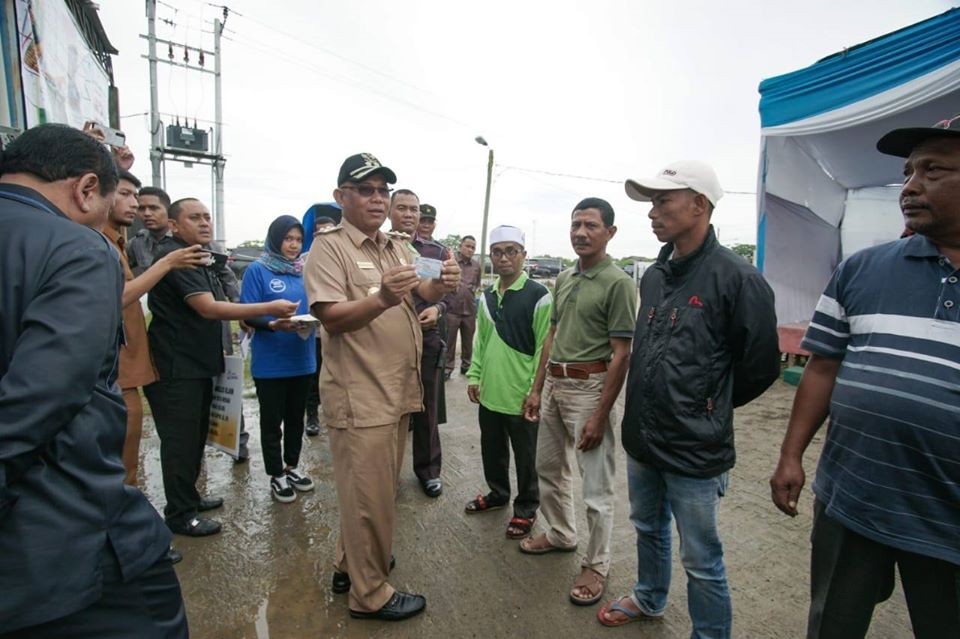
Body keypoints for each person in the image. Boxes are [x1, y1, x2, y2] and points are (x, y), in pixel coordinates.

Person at [770, 117, 960, 638]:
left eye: (933, 171)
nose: (911, 186)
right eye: (908, 172)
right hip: (852, 501)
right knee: (833, 621)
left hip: (947, 521)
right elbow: (823, 366)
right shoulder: (862, 269)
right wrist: (791, 455)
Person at [0, 123, 187, 637]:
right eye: (108, 204)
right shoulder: (76, 248)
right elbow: (44, 397)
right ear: (86, 189)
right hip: (60, 527)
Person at [599, 161, 779, 636]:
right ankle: (649, 596)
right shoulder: (654, 276)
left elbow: (760, 367)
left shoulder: (738, 278)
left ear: (699, 204)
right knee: (647, 527)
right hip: (642, 437)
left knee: (701, 557)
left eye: (663, 201)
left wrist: (706, 405)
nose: (652, 212)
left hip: (695, 447)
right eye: (652, 203)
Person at [304, 153, 460, 621]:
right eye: (366, 190)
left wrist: (442, 285)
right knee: (370, 499)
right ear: (341, 197)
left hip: (395, 390)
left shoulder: (394, 246)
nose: (377, 199)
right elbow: (330, 316)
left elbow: (420, 292)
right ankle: (369, 594)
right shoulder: (328, 249)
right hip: (361, 395)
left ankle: (349, 565)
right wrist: (382, 298)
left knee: (370, 492)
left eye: (382, 191)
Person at [145, 198, 298, 538]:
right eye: (194, 218)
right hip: (177, 365)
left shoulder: (199, 256)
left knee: (196, 436)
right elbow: (209, 308)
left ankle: (189, 498)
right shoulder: (177, 258)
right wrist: (267, 308)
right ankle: (180, 515)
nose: (205, 223)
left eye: (207, 217)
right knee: (181, 441)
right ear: (174, 225)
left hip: (198, 362)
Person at [521, 198, 637, 607]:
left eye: (591, 225)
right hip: (555, 384)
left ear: (610, 232)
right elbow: (551, 335)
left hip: (591, 389)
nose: (581, 233)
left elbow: (622, 354)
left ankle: (597, 563)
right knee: (548, 468)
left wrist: (601, 415)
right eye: (576, 225)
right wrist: (537, 388)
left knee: (596, 486)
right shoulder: (565, 277)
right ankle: (560, 533)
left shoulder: (619, 283)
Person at [100, 172, 208, 486]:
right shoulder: (100, 242)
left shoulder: (119, 242)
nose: (136, 206)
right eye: (125, 194)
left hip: (132, 366)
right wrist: (167, 263)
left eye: (137, 197)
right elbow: (119, 297)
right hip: (118, 370)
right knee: (126, 460)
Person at [464, 225, 552, 540]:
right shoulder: (487, 296)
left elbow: (545, 347)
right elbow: (480, 340)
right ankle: (498, 493)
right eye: (497, 252)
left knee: (526, 456)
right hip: (490, 390)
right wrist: (475, 375)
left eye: (511, 251)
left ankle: (526, 508)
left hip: (521, 394)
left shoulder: (539, 295)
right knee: (492, 449)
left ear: (523, 255)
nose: (504, 258)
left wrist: (535, 391)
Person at [240, 215, 317, 503]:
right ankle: (276, 474)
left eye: (298, 239)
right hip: (271, 363)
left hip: (303, 358)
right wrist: (273, 324)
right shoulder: (257, 270)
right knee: (272, 422)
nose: (293, 245)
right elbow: (246, 314)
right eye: (288, 239)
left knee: (296, 418)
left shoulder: (305, 272)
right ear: (275, 239)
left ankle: (292, 467)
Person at [388, 189, 450, 497]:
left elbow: (450, 296)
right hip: (388, 339)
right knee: (389, 409)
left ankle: (428, 470)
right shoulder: (380, 247)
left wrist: (437, 308)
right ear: (389, 212)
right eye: (402, 208)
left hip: (426, 337)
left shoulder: (436, 252)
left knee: (427, 408)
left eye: (414, 210)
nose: (409, 215)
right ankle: (387, 473)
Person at [301, 202, 342, 436]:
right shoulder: (303, 260)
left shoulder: (343, 257)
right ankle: (312, 415)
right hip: (313, 331)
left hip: (339, 328)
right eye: (319, 231)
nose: (324, 234)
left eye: (329, 229)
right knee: (314, 375)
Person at [445, 235, 481, 380]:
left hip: (469, 310)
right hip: (452, 309)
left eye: (473, 247)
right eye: (467, 246)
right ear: (460, 246)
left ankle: (466, 366)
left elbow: (476, 285)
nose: (470, 249)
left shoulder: (476, 266)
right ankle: (447, 368)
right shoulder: (450, 262)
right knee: (449, 341)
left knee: (468, 341)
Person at [127, 185, 173, 276]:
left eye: (153, 208)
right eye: (141, 209)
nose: (147, 213)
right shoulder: (137, 243)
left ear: (168, 211)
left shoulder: (185, 238)